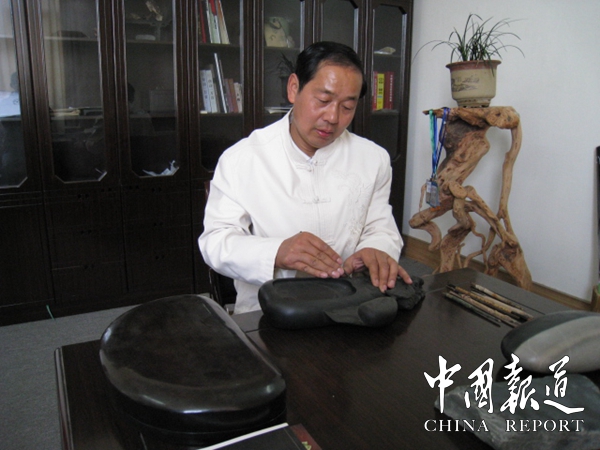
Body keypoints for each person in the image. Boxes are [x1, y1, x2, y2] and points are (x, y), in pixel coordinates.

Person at [199, 41, 411, 314]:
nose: (332, 117)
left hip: (351, 305)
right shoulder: (241, 159)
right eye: (322, 101)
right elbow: (215, 241)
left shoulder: (373, 158)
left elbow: (380, 227)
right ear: (293, 88)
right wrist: (277, 251)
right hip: (267, 313)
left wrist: (375, 248)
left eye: (347, 107)